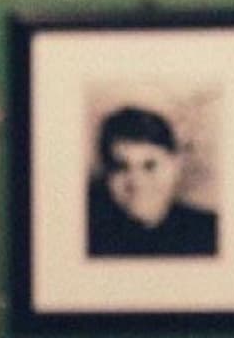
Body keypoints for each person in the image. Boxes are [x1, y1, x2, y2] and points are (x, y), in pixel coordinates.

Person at [87, 105, 218, 257]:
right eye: (120, 167)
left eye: (149, 166)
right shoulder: (88, 236)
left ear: (176, 165)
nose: (136, 181)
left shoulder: (211, 231)